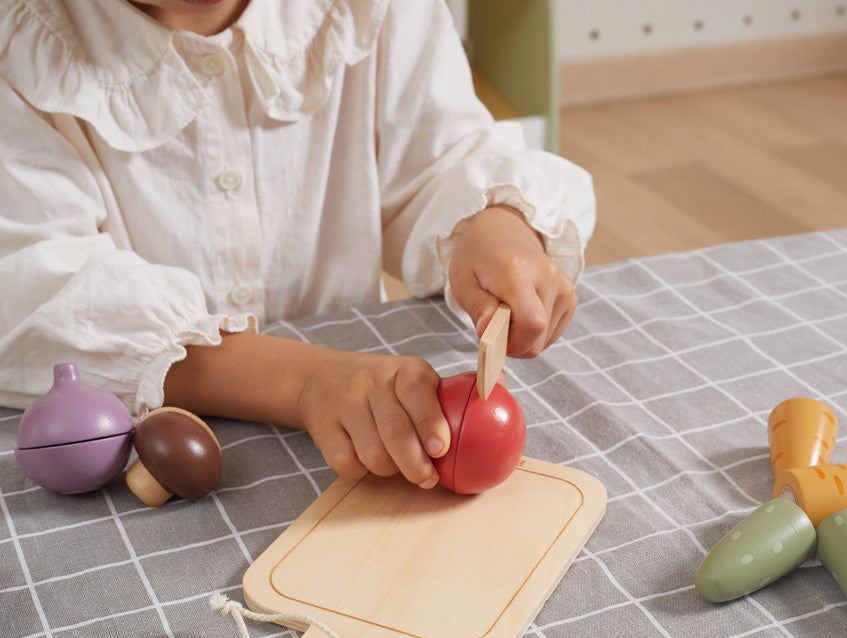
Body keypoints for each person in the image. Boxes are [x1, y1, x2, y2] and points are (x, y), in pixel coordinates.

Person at [0, 0, 596, 490]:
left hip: (361, 410)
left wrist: (494, 226)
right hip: (150, 419)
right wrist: (304, 381)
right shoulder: (20, 42)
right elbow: (39, 293)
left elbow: (437, 160)